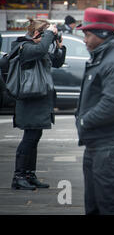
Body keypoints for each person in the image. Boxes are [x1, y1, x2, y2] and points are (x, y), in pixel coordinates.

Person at [75, 7, 114, 215]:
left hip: (112, 146)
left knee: (113, 208)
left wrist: (83, 121)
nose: (84, 39)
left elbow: (112, 105)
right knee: (94, 207)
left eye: (87, 34)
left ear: (102, 34)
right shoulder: (104, 55)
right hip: (99, 143)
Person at [11, 19, 66, 190]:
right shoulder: (24, 47)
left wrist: (58, 45)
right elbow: (41, 49)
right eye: (44, 35)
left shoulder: (38, 49)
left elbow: (57, 62)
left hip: (40, 99)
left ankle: (29, 174)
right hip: (29, 101)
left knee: (35, 137)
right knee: (29, 139)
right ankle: (18, 176)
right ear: (36, 34)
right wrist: (49, 33)